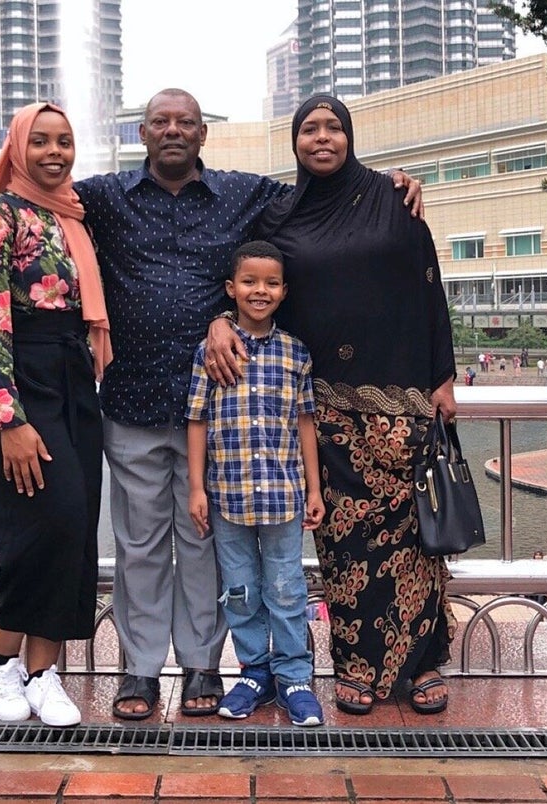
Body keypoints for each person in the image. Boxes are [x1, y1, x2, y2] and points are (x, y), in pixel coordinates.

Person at [0, 88, 424, 721]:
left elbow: (322, 194)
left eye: (186, 123)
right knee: (139, 544)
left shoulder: (242, 194)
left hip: (218, 408)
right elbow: (36, 193)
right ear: (141, 134)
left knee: (204, 544)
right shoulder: (103, 198)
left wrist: (387, 185)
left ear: (203, 134)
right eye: (160, 123)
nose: (173, 131)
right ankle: (141, 669)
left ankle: (202, 663)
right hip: (131, 400)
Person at [207, 95, 457, 717]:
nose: (322, 139)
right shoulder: (280, 213)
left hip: (401, 400)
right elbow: (246, 281)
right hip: (325, 411)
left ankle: (422, 663)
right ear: (295, 142)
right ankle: (357, 668)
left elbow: (430, 285)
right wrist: (218, 321)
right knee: (346, 545)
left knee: (411, 537)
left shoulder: (393, 199)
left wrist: (443, 376)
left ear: (350, 136)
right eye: (309, 130)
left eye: (333, 129)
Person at [0, 102, 111, 727]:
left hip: (70, 373)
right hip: (13, 375)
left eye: (64, 141)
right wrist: (8, 420)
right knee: (43, 523)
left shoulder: (74, 214)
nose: (54, 152)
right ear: (17, 148)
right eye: (39, 141)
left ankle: (43, 671)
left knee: (74, 524)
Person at [185, 240, 325, 727]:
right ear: (231, 289)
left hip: (284, 496)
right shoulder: (213, 351)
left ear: (284, 291)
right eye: (249, 282)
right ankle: (253, 672)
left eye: (270, 283)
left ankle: (295, 677)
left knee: (286, 587)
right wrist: (197, 488)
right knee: (241, 588)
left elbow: (305, 421)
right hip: (229, 495)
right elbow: (196, 420)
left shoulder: (295, 354)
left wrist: (314, 489)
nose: (259, 291)